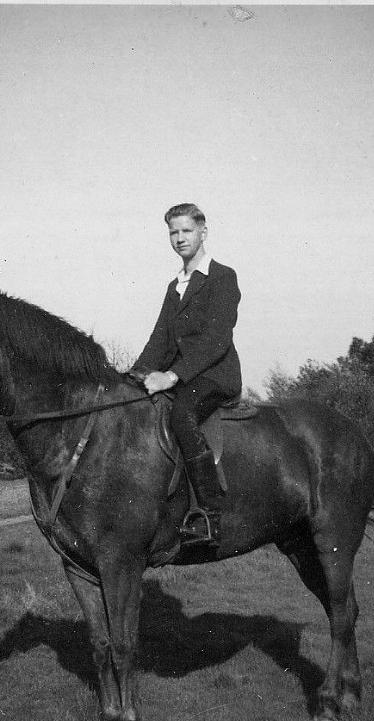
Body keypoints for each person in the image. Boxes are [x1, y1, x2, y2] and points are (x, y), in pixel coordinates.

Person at [130, 203, 242, 544]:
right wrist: (134, 376)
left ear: (203, 232)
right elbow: (159, 340)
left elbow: (216, 340)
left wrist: (172, 376)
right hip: (184, 377)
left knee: (181, 414)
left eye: (186, 231)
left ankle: (209, 514)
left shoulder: (223, 277)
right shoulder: (174, 286)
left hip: (214, 375)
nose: (179, 238)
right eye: (173, 232)